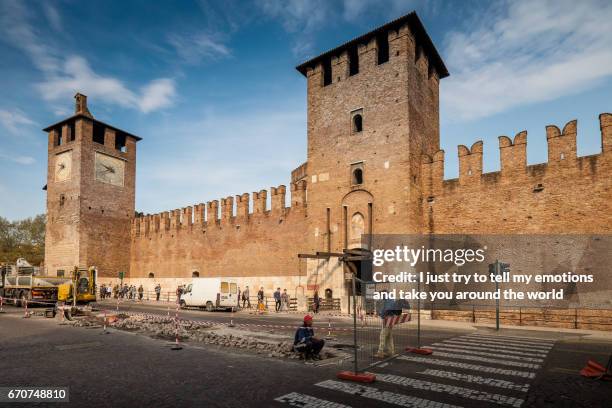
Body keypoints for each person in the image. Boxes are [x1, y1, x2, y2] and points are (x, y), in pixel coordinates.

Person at [375, 291, 409, 359]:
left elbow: (386, 310)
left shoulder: (388, 301)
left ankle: (380, 352)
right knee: (389, 336)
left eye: (381, 295)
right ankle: (390, 352)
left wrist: (381, 314)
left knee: (383, 336)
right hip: (390, 319)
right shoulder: (390, 299)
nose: (380, 297)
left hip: (387, 319)